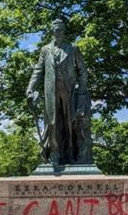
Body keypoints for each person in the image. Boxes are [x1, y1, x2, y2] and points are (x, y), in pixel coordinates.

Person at [26, 19, 91, 165]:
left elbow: (82, 71)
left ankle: (70, 153)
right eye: (56, 30)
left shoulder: (72, 48)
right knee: (52, 123)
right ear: (52, 32)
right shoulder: (45, 50)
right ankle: (54, 154)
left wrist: (81, 91)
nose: (58, 33)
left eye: (61, 30)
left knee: (70, 122)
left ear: (64, 31)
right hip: (51, 91)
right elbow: (38, 70)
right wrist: (30, 88)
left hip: (69, 91)